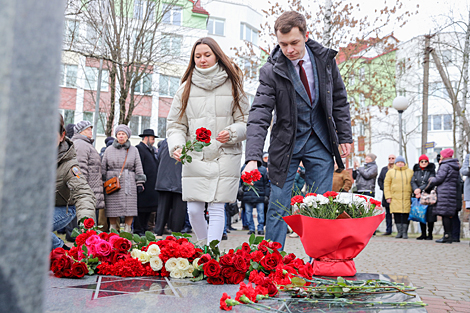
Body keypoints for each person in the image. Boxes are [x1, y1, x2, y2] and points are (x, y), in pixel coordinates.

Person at [243, 11, 352, 249]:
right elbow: (260, 113)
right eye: (283, 44)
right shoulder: (270, 71)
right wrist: (252, 157)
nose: (289, 50)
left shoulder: (325, 61)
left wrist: (344, 135)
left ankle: (318, 264)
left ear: (306, 35)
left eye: (294, 43)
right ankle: (271, 263)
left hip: (320, 141)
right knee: (278, 207)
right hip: (285, 146)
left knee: (320, 207)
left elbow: (339, 99)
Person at [166, 37, 249, 245]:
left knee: (217, 207)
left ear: (217, 55)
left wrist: (231, 133)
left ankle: (212, 254)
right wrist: (176, 146)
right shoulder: (185, 88)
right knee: (193, 209)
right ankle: (204, 246)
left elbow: (246, 121)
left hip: (225, 154)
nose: (202, 59)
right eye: (198, 56)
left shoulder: (233, 84)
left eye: (207, 55)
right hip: (195, 155)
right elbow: (176, 125)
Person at [53, 114, 95, 250]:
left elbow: (83, 194)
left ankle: (62, 251)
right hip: (38, 208)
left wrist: (85, 223)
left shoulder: (69, 166)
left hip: (63, 207)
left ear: (61, 136)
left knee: (34, 225)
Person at [101, 124, 146, 233]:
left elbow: (138, 166)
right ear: (116, 136)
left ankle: (127, 230)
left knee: (129, 208)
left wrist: (140, 183)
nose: (121, 136)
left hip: (128, 182)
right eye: (119, 134)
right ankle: (113, 230)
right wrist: (102, 181)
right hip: (112, 181)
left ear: (127, 136)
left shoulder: (134, 150)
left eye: (123, 134)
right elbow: (103, 167)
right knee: (112, 208)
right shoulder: (108, 150)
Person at [71, 121, 106, 231]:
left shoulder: (85, 144)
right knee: (86, 221)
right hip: (87, 189)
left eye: (91, 129)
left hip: (91, 188)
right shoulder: (81, 145)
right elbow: (80, 167)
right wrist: (83, 188)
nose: (91, 131)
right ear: (80, 131)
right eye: (88, 129)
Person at [154, 139, 187, 238]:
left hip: (164, 180)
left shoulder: (165, 143)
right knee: (179, 211)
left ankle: (158, 233)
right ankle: (176, 235)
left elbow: (158, 157)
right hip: (180, 181)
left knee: (162, 209)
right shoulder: (187, 143)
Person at [427, 148, 460, 244]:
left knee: (445, 215)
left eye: (441, 154)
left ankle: (447, 236)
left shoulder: (445, 165)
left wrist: (431, 179)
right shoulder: (454, 165)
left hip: (444, 192)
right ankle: (448, 235)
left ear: (444, 156)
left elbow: (439, 179)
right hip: (451, 192)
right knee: (448, 214)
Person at [135, 129, 159, 236]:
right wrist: (140, 182)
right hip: (144, 184)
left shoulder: (151, 150)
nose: (153, 141)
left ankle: (144, 228)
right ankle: (138, 230)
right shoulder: (139, 149)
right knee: (141, 209)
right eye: (152, 139)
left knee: (149, 209)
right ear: (146, 138)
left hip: (151, 186)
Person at [384, 156, 413, 239]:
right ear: (396, 163)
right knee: (396, 214)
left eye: (401, 162)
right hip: (395, 197)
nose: (400, 163)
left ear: (404, 163)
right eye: (398, 162)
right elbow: (387, 185)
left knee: (405, 215)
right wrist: (388, 196)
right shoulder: (390, 172)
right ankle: (399, 232)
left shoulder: (410, 172)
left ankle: (405, 232)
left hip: (406, 197)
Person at [410, 154, 436, 240]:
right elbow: (413, 181)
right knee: (421, 214)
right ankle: (423, 233)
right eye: (422, 161)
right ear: (419, 162)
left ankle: (430, 234)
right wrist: (416, 190)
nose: (424, 163)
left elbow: (430, 182)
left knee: (430, 216)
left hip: (428, 195)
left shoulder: (431, 171)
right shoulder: (416, 170)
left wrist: (420, 190)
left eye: (425, 161)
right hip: (418, 195)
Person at [240, 164, 270, 235]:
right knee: (249, 212)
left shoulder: (263, 169)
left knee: (260, 213)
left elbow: (266, 183)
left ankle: (260, 228)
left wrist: (266, 195)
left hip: (259, 194)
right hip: (248, 195)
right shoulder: (244, 168)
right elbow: (240, 181)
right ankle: (252, 229)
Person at [377, 154, 396, 235]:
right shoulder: (384, 169)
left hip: (396, 194)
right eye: (389, 158)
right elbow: (380, 180)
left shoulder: (398, 169)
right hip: (386, 194)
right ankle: (388, 230)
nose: (391, 159)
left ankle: (400, 230)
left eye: (393, 158)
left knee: (397, 213)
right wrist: (384, 188)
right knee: (388, 213)